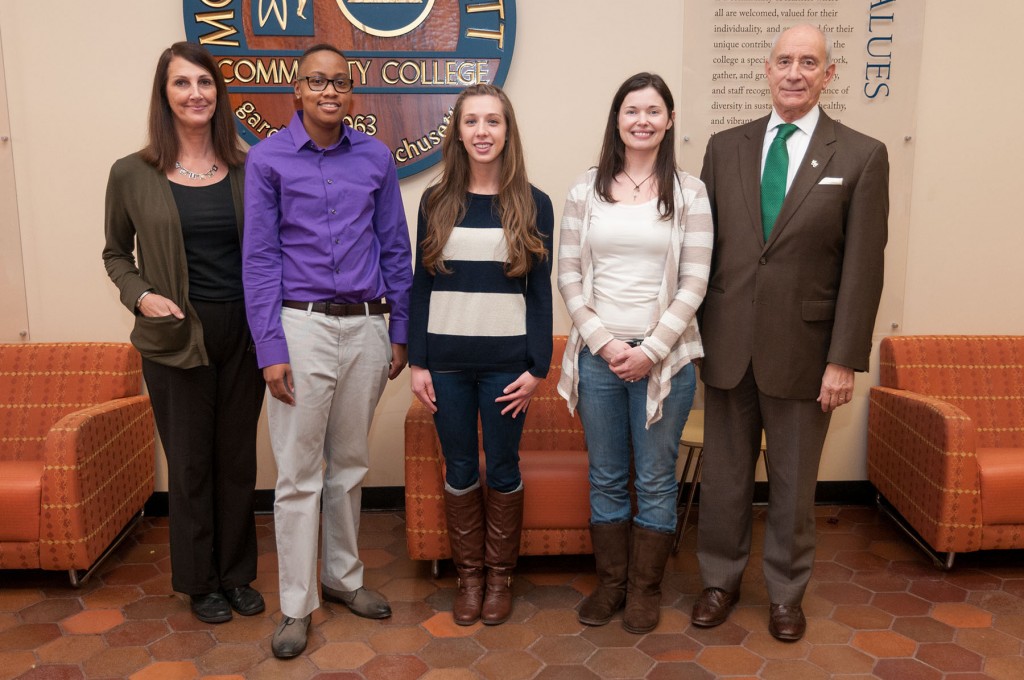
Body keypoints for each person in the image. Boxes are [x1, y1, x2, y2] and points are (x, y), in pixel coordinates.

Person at [692, 24, 888, 642]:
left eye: (809, 62)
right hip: (727, 347)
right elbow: (704, 252)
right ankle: (719, 581)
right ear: (768, 70)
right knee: (723, 479)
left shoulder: (861, 154)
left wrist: (843, 360)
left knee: (794, 484)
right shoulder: (725, 148)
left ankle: (785, 594)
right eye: (784, 61)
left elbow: (863, 268)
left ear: (829, 74)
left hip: (807, 355)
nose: (795, 72)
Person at [242, 43, 413, 658]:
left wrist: (400, 332)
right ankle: (295, 605)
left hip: (367, 326)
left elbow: (395, 247)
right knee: (296, 476)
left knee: (349, 465)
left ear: (352, 92)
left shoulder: (375, 157)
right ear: (296, 90)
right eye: (317, 82)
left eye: (340, 82)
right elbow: (259, 260)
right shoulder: (267, 160)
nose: (329, 92)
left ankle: (343, 578)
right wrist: (269, 348)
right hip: (301, 328)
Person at [103, 42, 265, 625]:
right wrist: (141, 295)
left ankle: (237, 575)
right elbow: (116, 253)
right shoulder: (132, 172)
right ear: (165, 95)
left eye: (204, 82)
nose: (195, 93)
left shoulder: (249, 169)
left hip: (244, 332)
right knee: (191, 461)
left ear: (218, 94)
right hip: (175, 336)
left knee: (237, 459)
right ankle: (200, 582)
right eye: (182, 84)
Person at [557, 73, 712, 634]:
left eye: (653, 110)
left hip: (664, 361)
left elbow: (696, 281)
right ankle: (612, 584)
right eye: (631, 110)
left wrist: (650, 350)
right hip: (598, 358)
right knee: (605, 475)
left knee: (653, 477)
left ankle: (645, 592)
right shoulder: (585, 189)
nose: (642, 120)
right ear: (617, 120)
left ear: (669, 120)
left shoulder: (690, 192)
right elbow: (567, 274)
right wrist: (604, 342)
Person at [408, 84, 553, 627]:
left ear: (507, 131)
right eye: (472, 122)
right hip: (445, 366)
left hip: (505, 368)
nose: (483, 132)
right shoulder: (435, 200)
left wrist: (537, 368)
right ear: (458, 132)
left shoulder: (533, 202)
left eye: (493, 121)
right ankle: (469, 579)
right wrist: (419, 362)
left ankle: (500, 578)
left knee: (504, 465)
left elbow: (539, 293)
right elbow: (420, 285)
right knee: (461, 465)